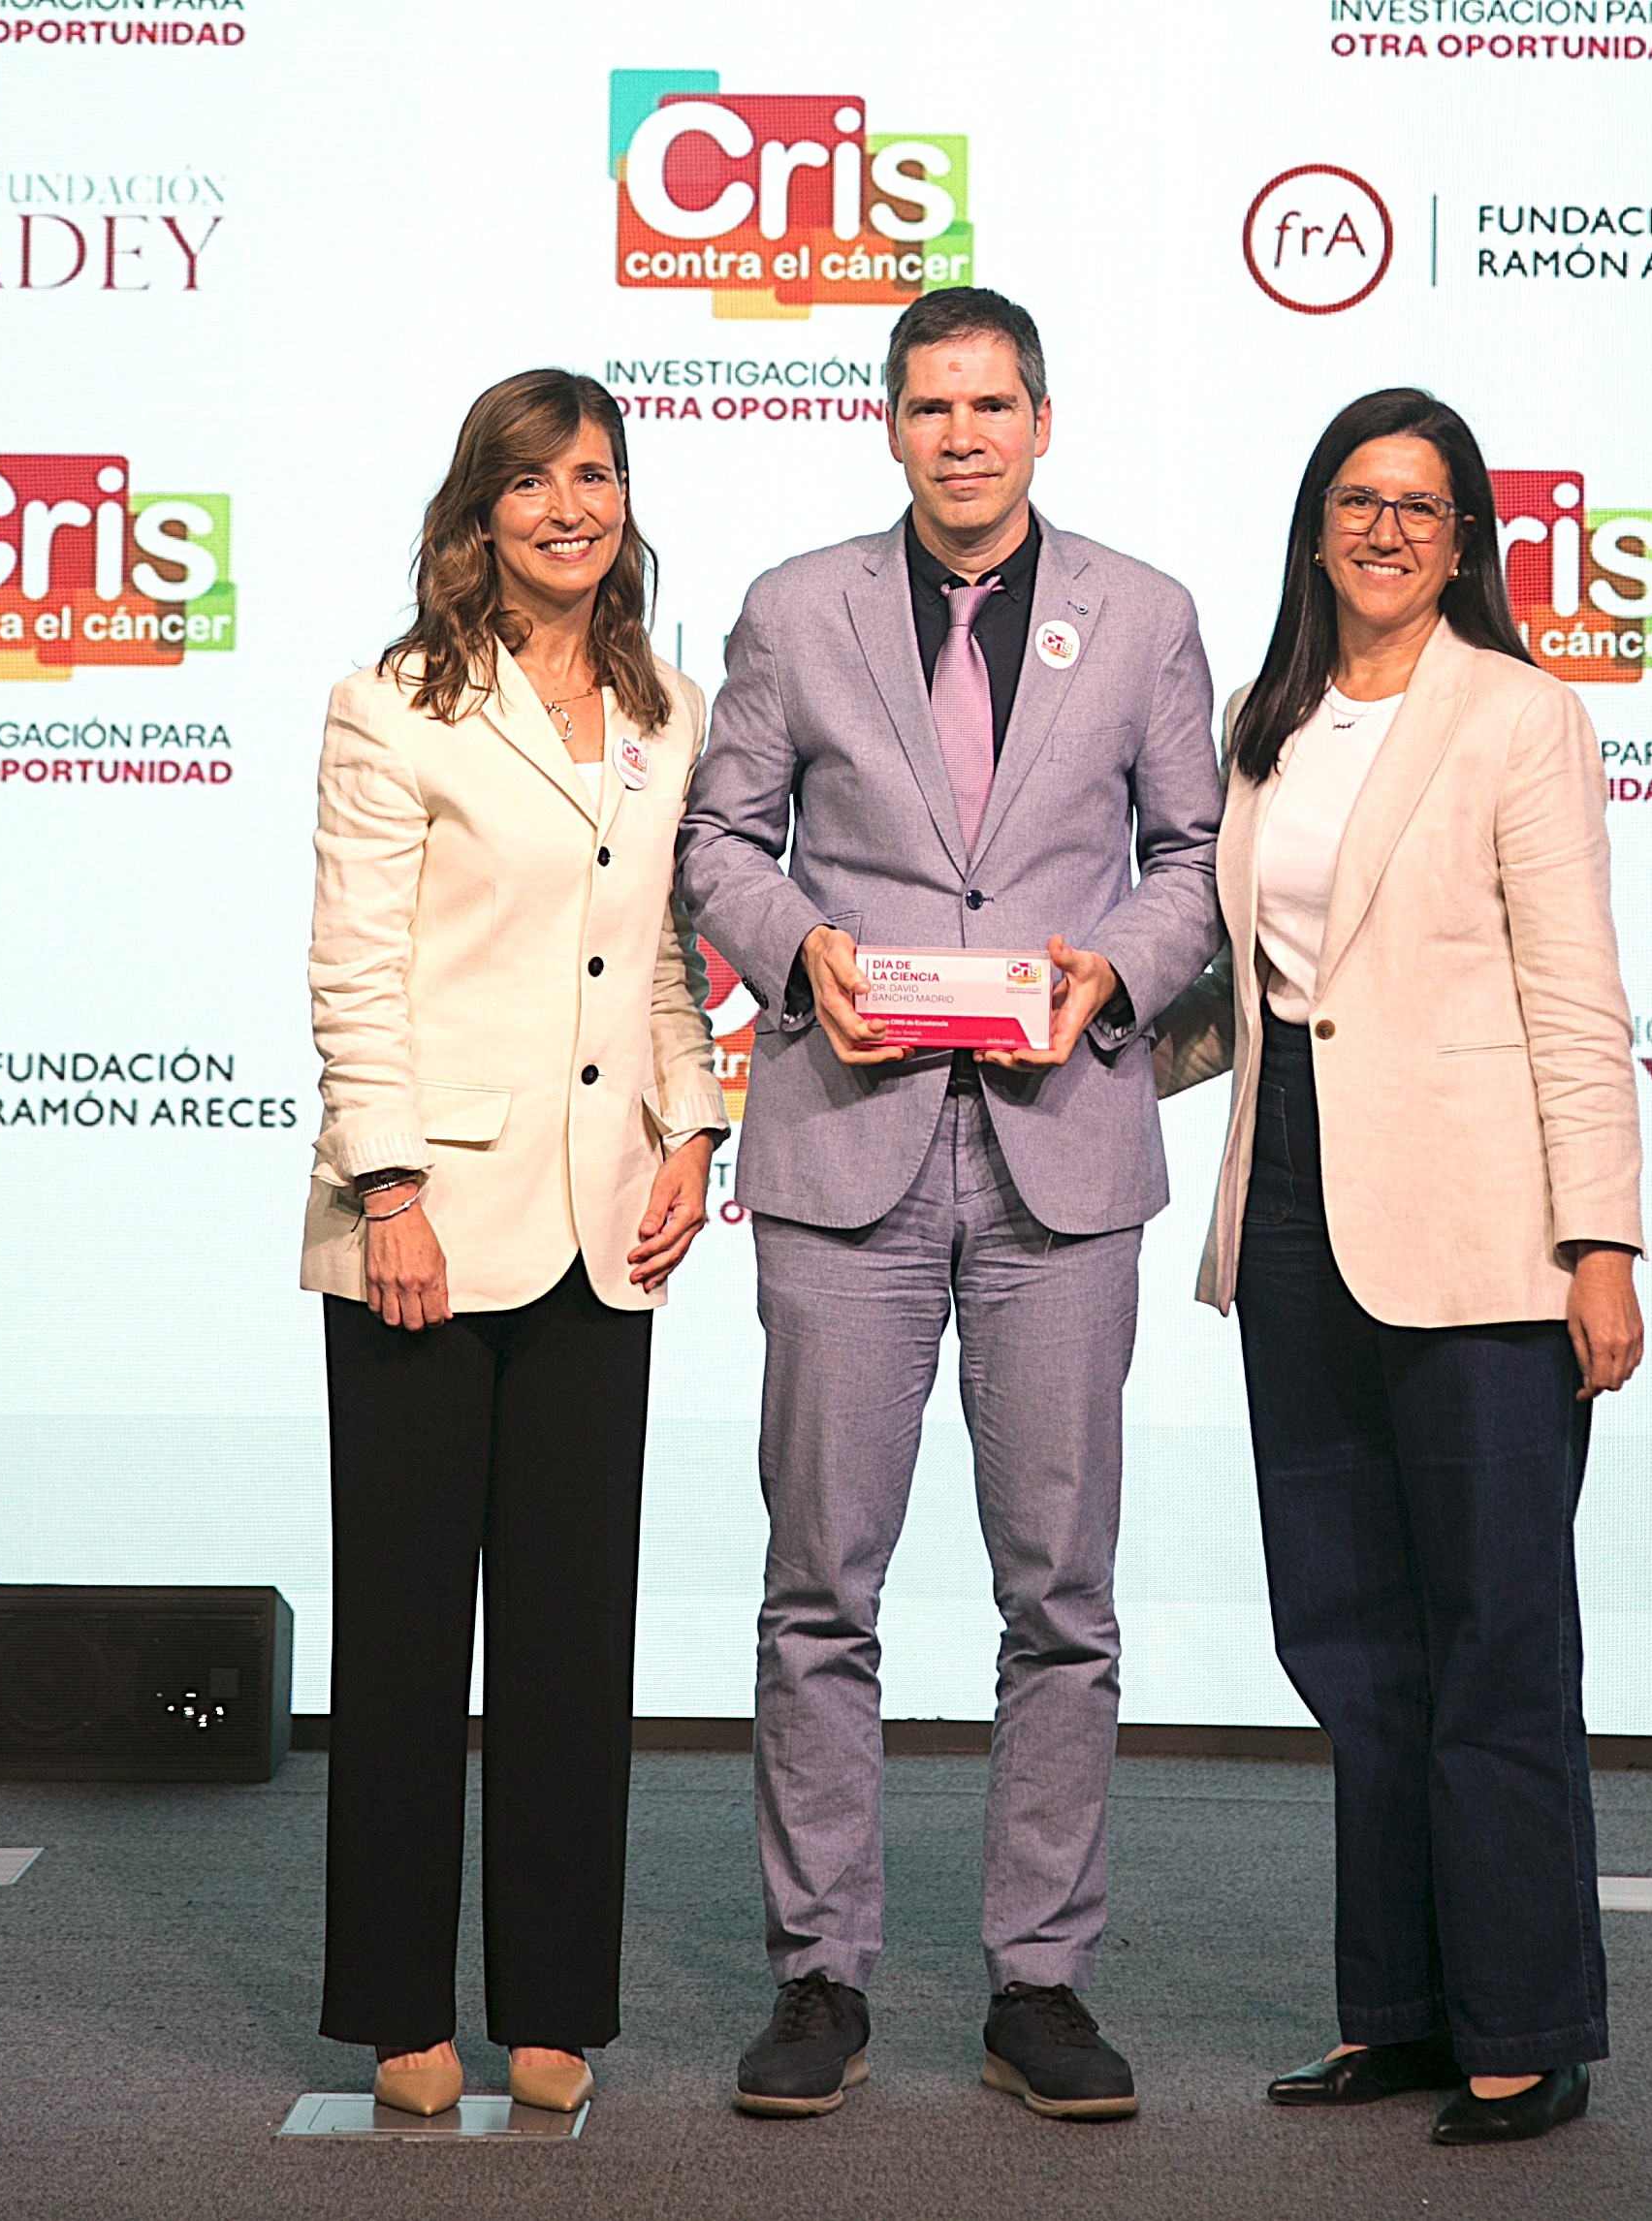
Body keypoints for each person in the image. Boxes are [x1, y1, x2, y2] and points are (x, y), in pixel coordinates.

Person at [675, 288, 1223, 2122]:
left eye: (996, 405)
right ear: (888, 424)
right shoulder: (792, 606)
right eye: (933, 406)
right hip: (845, 1144)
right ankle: (819, 1976)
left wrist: (1113, 975)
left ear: (1045, 421)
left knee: (1059, 1595)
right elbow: (718, 845)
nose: (965, 435)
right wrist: (801, 951)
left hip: (1065, 1149)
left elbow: (1195, 862)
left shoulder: (1142, 612)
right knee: (819, 1587)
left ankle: (1041, 1983)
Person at [1156, 388, 1644, 2146]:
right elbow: (1255, 994)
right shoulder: (1260, 721)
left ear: (1463, 543)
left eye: (1421, 508)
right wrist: (1062, 1030)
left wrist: (1601, 1242)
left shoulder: (1521, 718)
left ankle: (1525, 2024)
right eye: (1358, 500)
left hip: (1484, 1238)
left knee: (1496, 1635)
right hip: (1288, 1217)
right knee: (1350, 1641)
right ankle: (1398, 2015)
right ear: (1315, 526)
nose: (1385, 529)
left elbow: (1577, 1000)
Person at [300, 368, 728, 2119]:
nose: (575, 505)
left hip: (598, 1225)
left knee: (570, 1644)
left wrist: (698, 1124)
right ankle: (401, 2010)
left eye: (601, 475)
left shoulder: (665, 706)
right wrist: (388, 1190)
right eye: (538, 479)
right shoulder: (393, 706)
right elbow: (355, 971)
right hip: (425, 1224)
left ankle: (555, 2007)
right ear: (477, 510)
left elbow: (668, 958)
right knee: (406, 1642)